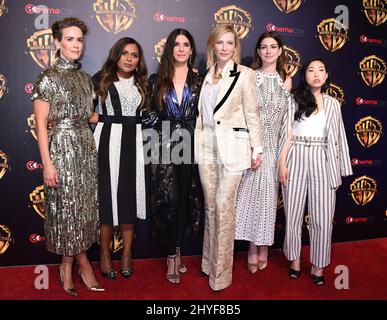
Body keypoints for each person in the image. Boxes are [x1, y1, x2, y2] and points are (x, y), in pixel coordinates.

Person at [32, 17, 104, 296]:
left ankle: (77, 260)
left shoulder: (86, 79)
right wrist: (47, 164)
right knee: (67, 210)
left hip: (86, 148)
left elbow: (89, 116)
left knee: (84, 209)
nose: (76, 44)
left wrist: (122, 119)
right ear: (57, 42)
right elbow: (40, 124)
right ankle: (72, 264)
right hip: (61, 149)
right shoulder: (48, 77)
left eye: (79, 39)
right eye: (70, 39)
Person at [195, 24, 263, 291]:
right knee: (211, 207)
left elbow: (252, 114)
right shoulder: (207, 75)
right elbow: (204, 115)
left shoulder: (245, 75)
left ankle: (221, 277)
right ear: (213, 45)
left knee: (224, 209)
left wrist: (256, 149)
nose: (224, 47)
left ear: (236, 47)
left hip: (234, 149)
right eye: (220, 42)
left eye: (230, 43)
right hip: (207, 147)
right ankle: (208, 263)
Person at [278, 58, 352, 285]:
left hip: (323, 158)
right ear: (305, 75)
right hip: (296, 155)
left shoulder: (333, 104)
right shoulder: (294, 100)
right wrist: (282, 163)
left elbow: (338, 138)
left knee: (322, 217)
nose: (316, 74)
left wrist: (337, 172)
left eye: (321, 70)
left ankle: (318, 266)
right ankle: (295, 261)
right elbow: (286, 134)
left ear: (327, 75)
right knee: (293, 214)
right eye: (311, 70)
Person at [147, 29, 203, 284]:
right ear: (169, 48)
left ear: (191, 50)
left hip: (191, 142)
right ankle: (171, 254)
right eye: (176, 44)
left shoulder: (200, 81)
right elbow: (148, 115)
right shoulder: (156, 79)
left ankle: (176, 250)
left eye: (186, 45)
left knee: (183, 199)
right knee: (167, 201)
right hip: (163, 143)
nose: (181, 49)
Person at [90, 37, 148, 280]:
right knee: (106, 198)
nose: (129, 58)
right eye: (124, 53)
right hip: (106, 141)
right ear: (116, 55)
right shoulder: (99, 79)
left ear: (138, 60)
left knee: (128, 197)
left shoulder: (144, 84)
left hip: (133, 143)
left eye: (134, 55)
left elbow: (149, 114)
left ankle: (126, 254)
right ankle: (104, 254)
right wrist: (93, 116)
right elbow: (88, 113)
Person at [235, 31, 292, 273]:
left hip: (275, 148)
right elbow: (244, 115)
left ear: (280, 51)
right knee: (250, 199)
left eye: (273, 46)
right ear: (258, 51)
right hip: (253, 147)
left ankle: (264, 247)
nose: (268, 51)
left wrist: (281, 160)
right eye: (264, 47)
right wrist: (251, 149)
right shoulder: (250, 77)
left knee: (268, 201)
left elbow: (287, 124)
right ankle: (251, 247)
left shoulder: (286, 80)